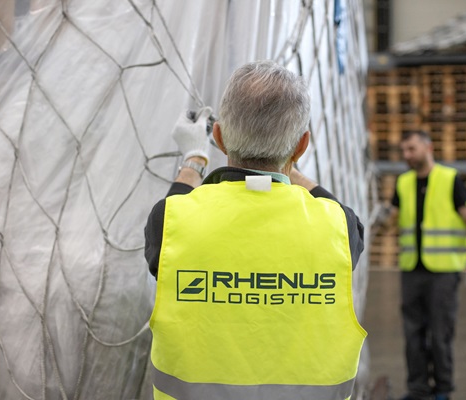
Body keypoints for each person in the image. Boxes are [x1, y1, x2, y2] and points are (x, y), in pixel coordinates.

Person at [144, 60, 367, 400]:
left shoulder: (171, 221)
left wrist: (194, 160)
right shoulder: (339, 228)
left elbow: (173, 212)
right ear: (302, 145)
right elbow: (341, 214)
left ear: (219, 138)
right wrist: (287, 163)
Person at [387, 130, 466, 400]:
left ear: (428, 148)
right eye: (404, 150)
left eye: (412, 149)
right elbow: (392, 219)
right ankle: (418, 389)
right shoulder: (404, 182)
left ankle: (443, 390)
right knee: (413, 334)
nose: (406, 155)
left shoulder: (450, 179)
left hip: (443, 271)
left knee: (440, 334)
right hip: (412, 269)